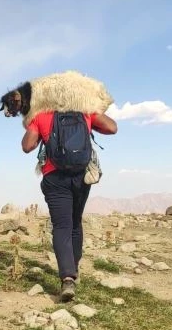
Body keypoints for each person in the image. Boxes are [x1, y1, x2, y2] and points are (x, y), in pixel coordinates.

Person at [20, 110, 117, 301]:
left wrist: (33, 123)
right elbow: (112, 127)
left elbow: (27, 146)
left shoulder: (42, 115)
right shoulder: (85, 112)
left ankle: (67, 277)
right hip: (82, 176)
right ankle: (74, 269)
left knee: (61, 226)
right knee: (74, 223)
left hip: (54, 177)